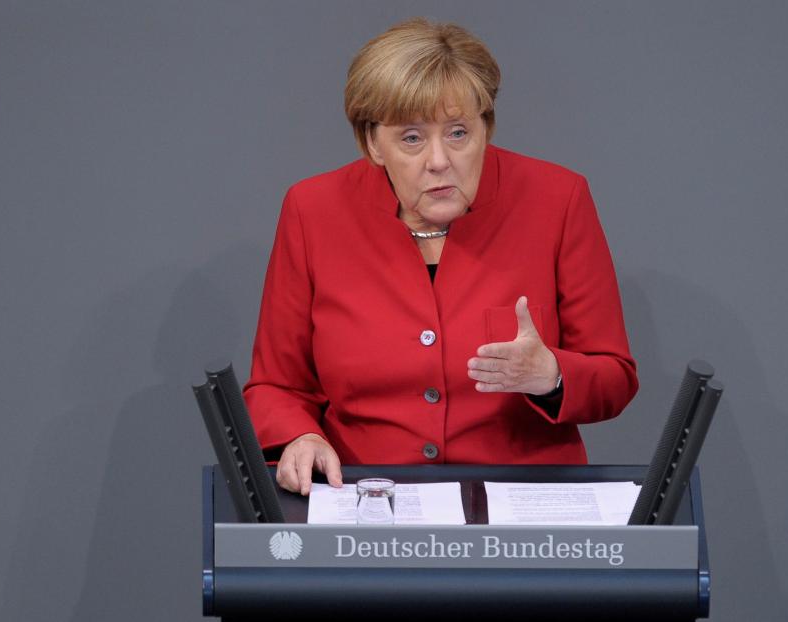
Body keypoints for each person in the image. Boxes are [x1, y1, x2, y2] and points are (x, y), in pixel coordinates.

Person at [244, 18, 638, 495]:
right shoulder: (312, 210)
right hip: (368, 500)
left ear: (485, 128)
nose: (438, 159)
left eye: (457, 133)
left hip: (520, 505)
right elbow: (275, 387)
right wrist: (300, 436)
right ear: (373, 143)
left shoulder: (558, 200)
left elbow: (615, 375)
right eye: (411, 138)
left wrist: (550, 375)